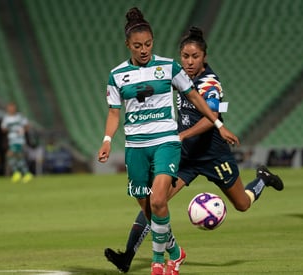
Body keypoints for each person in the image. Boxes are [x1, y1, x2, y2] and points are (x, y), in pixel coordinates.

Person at [103, 26, 284, 274]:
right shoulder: (177, 76)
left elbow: (212, 118)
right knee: (157, 200)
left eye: (194, 57)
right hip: (185, 155)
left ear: (204, 58)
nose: (189, 62)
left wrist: (182, 134)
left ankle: (262, 180)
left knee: (242, 204)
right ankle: (129, 256)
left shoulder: (210, 83)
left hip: (212, 154)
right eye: (185, 57)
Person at [97, 9, 239, 275]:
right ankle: (175, 251)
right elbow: (115, 112)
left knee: (159, 200)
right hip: (136, 147)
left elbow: (195, 96)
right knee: (149, 207)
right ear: (128, 45)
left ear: (153, 42)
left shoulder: (169, 67)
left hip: (166, 142)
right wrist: (107, 140)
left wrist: (219, 124)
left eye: (148, 44)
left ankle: (158, 263)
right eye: (137, 46)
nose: (143, 50)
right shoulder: (117, 75)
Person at [1, 102, 33, 183]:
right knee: (19, 157)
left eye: (12, 107)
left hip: (18, 140)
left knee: (9, 154)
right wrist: (9, 129)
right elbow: (3, 129)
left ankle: (17, 173)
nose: (11, 109)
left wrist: (22, 130)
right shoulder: (6, 118)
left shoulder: (20, 117)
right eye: (9, 107)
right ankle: (26, 174)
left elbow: (27, 126)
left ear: (15, 108)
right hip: (11, 139)